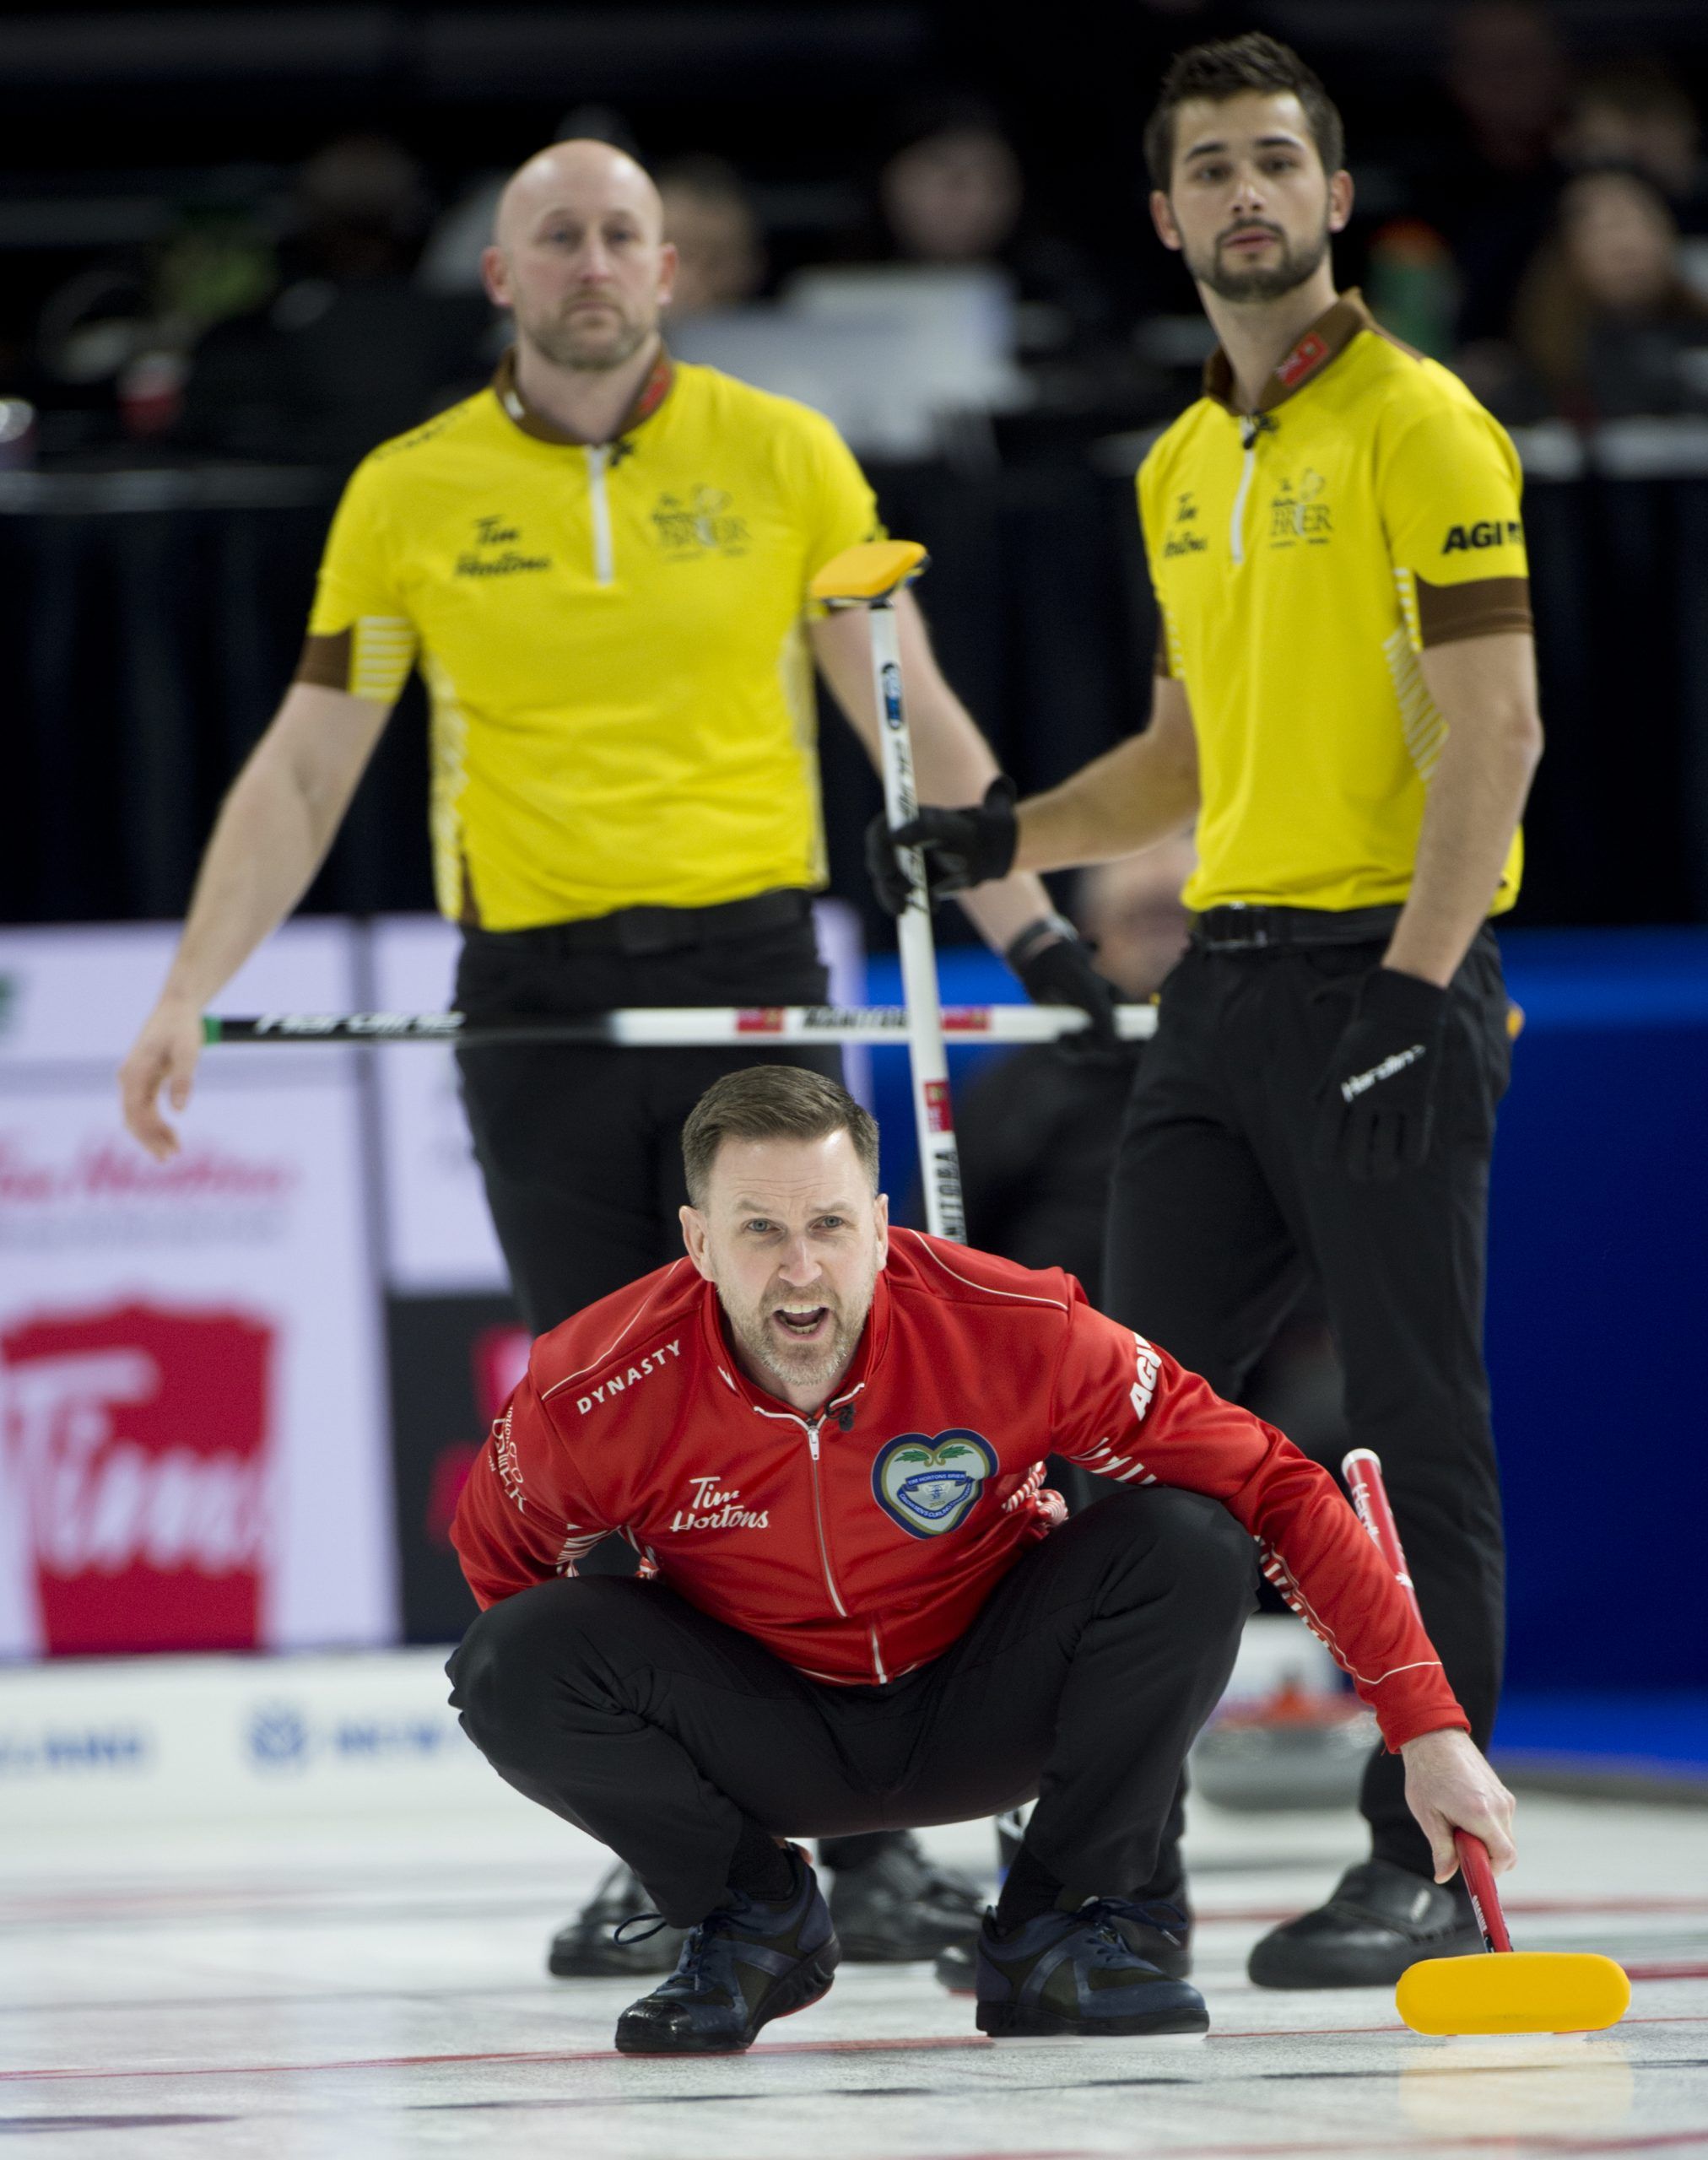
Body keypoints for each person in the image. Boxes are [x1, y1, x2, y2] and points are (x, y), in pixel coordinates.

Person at [116, 138, 1117, 1979]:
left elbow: (913, 718)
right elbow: (313, 751)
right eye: (555, 237)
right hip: (540, 989)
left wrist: (1044, 944)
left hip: (749, 963)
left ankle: (877, 1839)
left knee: (830, 1406)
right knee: (609, 1444)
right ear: (498, 277)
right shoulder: (408, 489)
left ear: (672, 271)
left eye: (622, 236)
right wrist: (189, 981)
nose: (591, 263)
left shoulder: (782, 452)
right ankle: (689, 1852)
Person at [870, 33, 1543, 1990]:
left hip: (1385, 975)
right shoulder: (1179, 461)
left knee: (1411, 1427)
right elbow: (1179, 764)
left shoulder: (1425, 427)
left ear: (1334, 198)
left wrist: (1422, 987)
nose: (1249, 195)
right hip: (1221, 990)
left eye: (1281, 162)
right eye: (1212, 170)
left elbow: (1498, 730)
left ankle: (1419, 1854)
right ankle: (1107, 1877)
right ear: (1164, 217)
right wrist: (1004, 829)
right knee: (1133, 1428)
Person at [446, 1063, 1516, 2054]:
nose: (800, 1269)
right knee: (509, 1656)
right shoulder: (594, 1385)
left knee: (1188, 1539)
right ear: (696, 1240)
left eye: (827, 1224)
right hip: (759, 1728)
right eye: (758, 1230)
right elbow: (500, 1564)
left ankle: (1049, 1928)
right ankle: (749, 1918)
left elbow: (1273, 1481)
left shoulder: (1016, 1324)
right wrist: (663, 1807)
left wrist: (1424, 1725)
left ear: (876, 1227)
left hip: (984, 1698)